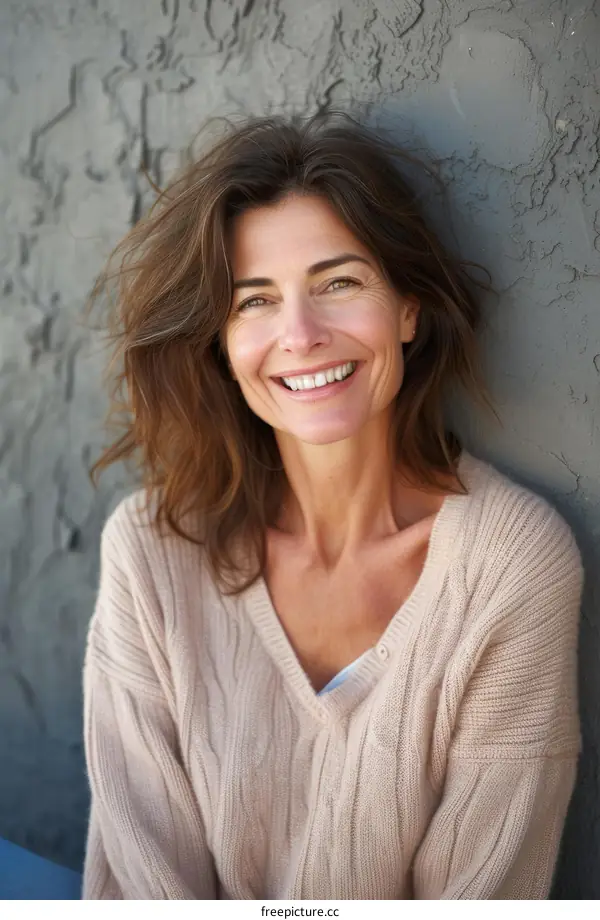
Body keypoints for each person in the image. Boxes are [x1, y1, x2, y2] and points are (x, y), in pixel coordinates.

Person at [82, 113, 582, 900]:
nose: (301, 334)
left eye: (338, 284)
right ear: (219, 341)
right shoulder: (153, 551)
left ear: (408, 309)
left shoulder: (509, 565)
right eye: (254, 301)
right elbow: (142, 888)